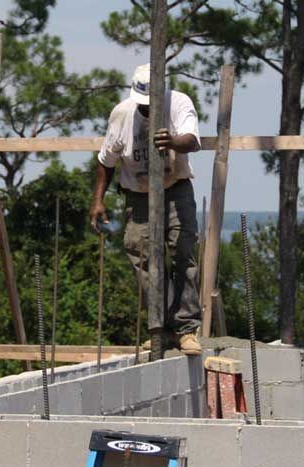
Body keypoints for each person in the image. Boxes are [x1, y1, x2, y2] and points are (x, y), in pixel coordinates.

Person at [89, 63, 203, 355]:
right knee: (144, 258)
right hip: (139, 195)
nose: (148, 112)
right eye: (144, 107)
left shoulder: (178, 103)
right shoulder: (123, 114)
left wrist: (174, 140)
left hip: (175, 188)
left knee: (183, 251)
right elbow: (106, 161)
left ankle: (186, 329)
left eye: (152, 107)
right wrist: (98, 200)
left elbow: (191, 140)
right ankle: (160, 329)